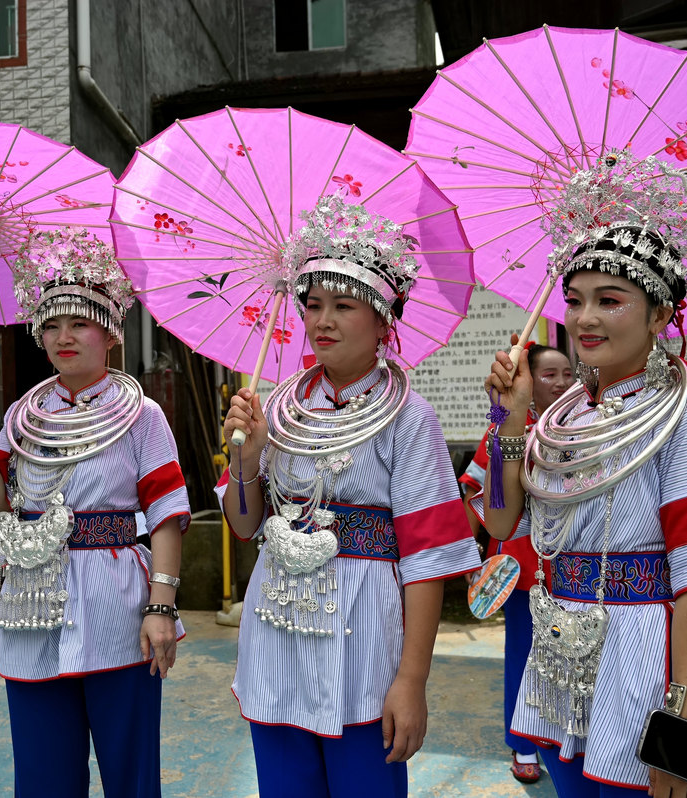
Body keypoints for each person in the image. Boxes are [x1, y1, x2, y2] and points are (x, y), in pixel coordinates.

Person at [480, 152, 687, 797]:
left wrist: (686, 738)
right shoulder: (566, 415)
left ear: (661, 316)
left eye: (610, 300)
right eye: (575, 300)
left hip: (649, 660)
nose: (585, 319)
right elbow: (500, 521)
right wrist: (513, 415)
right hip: (563, 655)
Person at [219, 195, 482, 798]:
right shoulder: (276, 410)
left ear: (384, 322)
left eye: (343, 306)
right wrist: (248, 458)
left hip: (364, 639)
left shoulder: (409, 416)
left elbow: (427, 561)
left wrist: (411, 680)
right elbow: (241, 525)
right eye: (312, 305)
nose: (322, 321)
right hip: (278, 628)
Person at [0, 227, 189, 798]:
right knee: (43, 775)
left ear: (108, 331)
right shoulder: (22, 416)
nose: (63, 336)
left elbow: (167, 516)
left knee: (130, 773)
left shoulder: (142, 413)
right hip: (31, 605)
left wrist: (161, 605)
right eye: (51, 324)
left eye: (78, 322)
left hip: (118, 605)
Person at [459, 343, 573, 785]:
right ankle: (523, 742)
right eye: (549, 374)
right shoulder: (503, 432)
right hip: (519, 573)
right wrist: (467, 555)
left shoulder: (581, 429)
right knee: (523, 657)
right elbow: (475, 491)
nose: (562, 382)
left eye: (567, 373)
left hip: (570, 572)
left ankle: (563, 735)